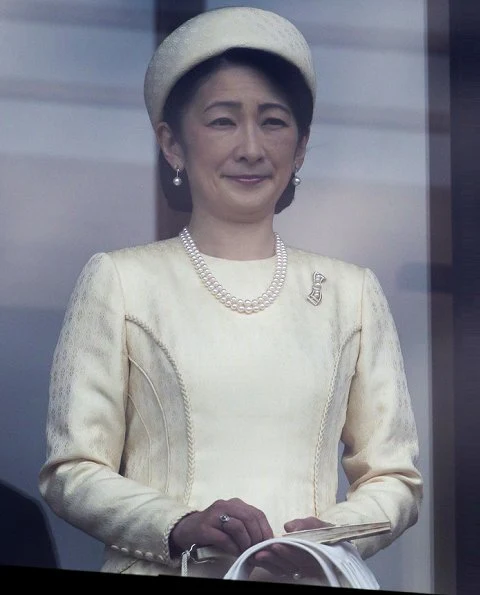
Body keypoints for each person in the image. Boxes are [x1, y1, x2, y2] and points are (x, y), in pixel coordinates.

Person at [38, 5, 423, 585]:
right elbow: (71, 470)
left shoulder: (352, 294)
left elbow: (394, 478)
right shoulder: (121, 281)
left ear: (301, 146)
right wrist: (179, 524)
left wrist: (322, 539)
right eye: (223, 121)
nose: (250, 147)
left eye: (273, 121)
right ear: (172, 143)